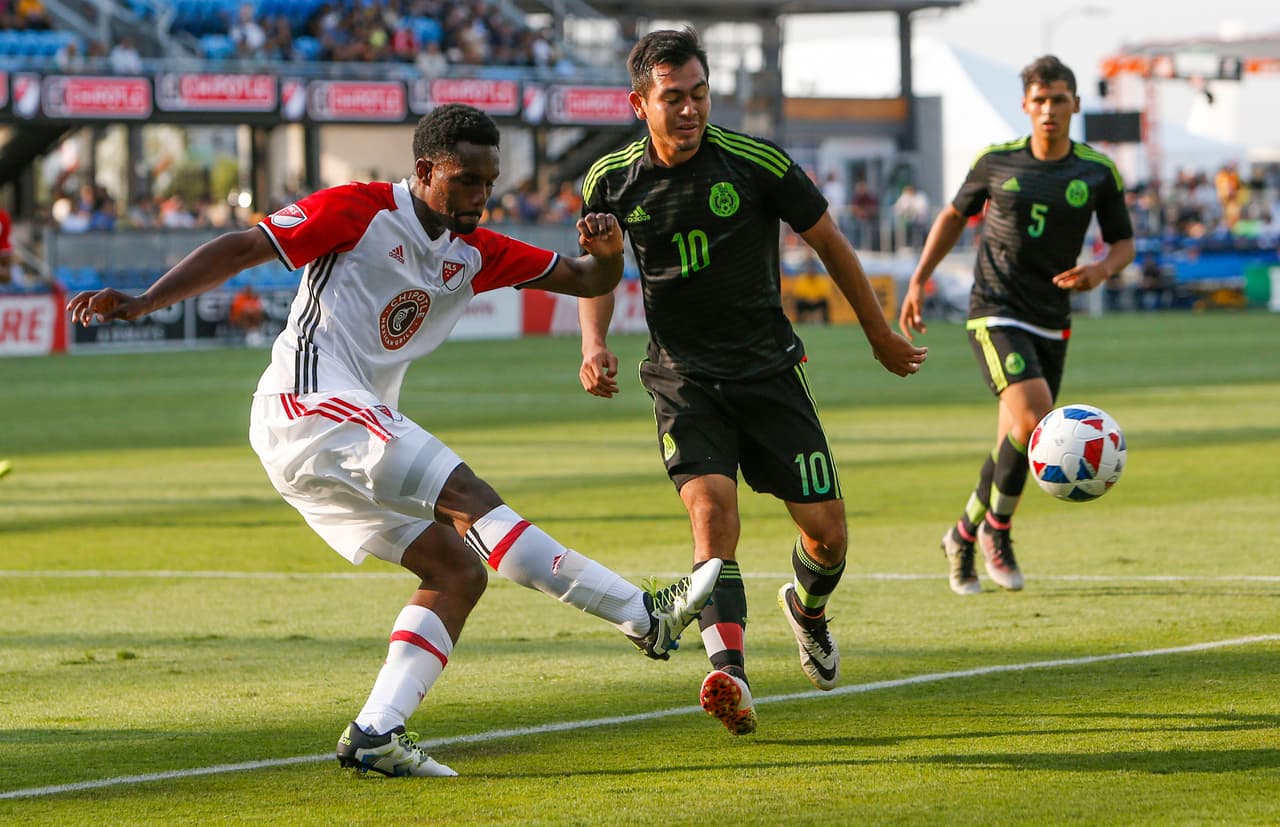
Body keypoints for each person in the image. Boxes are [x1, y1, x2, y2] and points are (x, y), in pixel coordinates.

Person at [67, 103, 721, 778]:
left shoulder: (475, 250)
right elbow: (243, 247)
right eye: (466, 180)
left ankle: (376, 731)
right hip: (307, 406)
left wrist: (608, 256)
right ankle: (643, 615)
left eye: (489, 182)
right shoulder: (361, 209)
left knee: (457, 571)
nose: (480, 196)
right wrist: (145, 301)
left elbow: (586, 279)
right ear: (425, 170)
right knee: (471, 498)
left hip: (333, 437)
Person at [577, 28, 927, 736]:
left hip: (769, 373)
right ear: (639, 104)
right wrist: (594, 342)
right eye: (673, 98)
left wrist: (879, 333)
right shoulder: (609, 179)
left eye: (699, 94)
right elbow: (599, 267)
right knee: (712, 517)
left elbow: (830, 242)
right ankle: (729, 674)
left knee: (827, 536)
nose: (689, 110)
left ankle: (807, 610)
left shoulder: (754, 162)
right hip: (682, 378)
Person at [897, 55, 1135, 596]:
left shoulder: (1097, 171)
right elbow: (953, 215)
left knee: (1020, 435)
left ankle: (963, 533)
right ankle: (996, 532)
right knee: (1036, 420)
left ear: (1075, 104)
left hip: (1052, 318)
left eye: (1059, 99)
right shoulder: (996, 161)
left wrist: (1101, 270)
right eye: (1040, 100)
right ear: (1026, 105)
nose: (1049, 109)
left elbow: (1124, 243)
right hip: (995, 309)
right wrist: (918, 280)